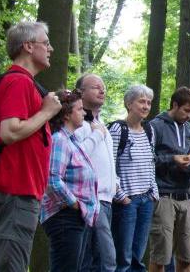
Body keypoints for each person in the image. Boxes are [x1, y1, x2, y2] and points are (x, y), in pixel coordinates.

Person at [0, 21, 61, 271]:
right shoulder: (17, 81)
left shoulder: (27, 83)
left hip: (24, 189)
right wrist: (47, 112)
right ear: (28, 46)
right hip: (15, 187)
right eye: (46, 43)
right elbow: (9, 132)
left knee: (15, 262)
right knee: (10, 265)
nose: (51, 49)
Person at [148, 87, 190, 272]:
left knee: (187, 256)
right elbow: (148, 160)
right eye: (186, 110)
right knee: (161, 257)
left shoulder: (188, 128)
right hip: (164, 196)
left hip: (187, 196)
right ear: (175, 104)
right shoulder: (154, 126)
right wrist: (172, 159)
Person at [41, 90, 100, 272]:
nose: (84, 113)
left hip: (75, 217)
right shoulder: (60, 140)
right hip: (65, 217)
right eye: (80, 109)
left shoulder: (71, 140)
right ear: (67, 113)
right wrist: (75, 203)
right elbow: (52, 179)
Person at [108, 85, 159, 272]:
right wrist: (121, 196)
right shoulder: (117, 129)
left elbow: (151, 162)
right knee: (123, 257)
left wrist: (154, 191)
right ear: (129, 104)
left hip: (146, 199)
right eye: (141, 101)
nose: (146, 106)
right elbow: (109, 165)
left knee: (138, 255)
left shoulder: (149, 130)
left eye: (148, 102)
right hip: (126, 202)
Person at [75, 73, 119, 272]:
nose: (102, 90)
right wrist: (95, 134)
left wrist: (115, 182)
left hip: (108, 199)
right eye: (95, 87)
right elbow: (76, 157)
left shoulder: (102, 125)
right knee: (105, 260)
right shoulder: (78, 125)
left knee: (93, 259)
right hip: (91, 198)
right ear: (80, 93)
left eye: (103, 87)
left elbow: (108, 160)